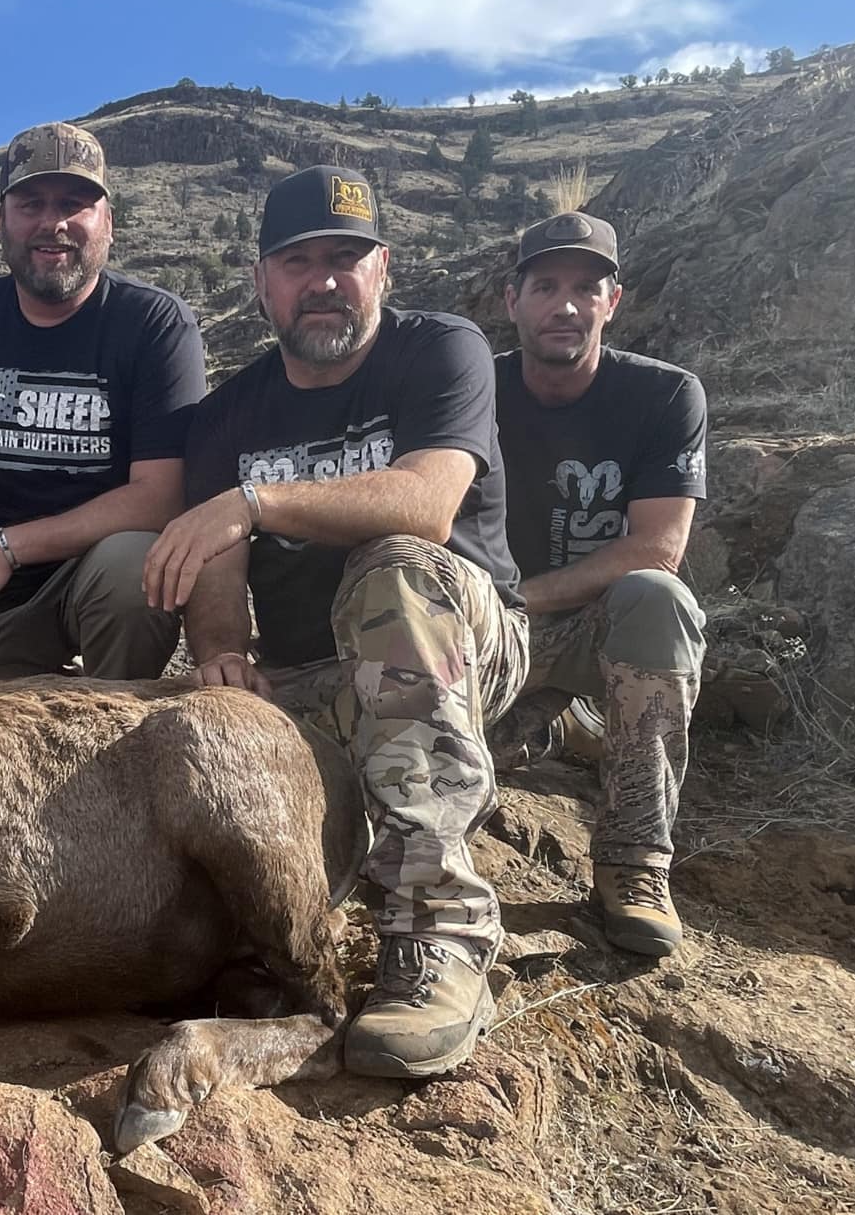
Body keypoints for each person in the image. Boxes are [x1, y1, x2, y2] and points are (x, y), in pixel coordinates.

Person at [143, 165, 527, 1079]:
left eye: (345, 258)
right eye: (298, 260)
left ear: (383, 269)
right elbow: (216, 569)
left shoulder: (442, 350)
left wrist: (256, 501)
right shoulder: (229, 411)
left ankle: (442, 929)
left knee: (393, 566)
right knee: (194, 725)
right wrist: (224, 652)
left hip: (461, 636)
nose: (323, 279)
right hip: (315, 671)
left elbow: (431, 502)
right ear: (262, 281)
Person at [0, 121, 206, 683]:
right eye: (31, 204)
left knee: (130, 570)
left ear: (108, 224)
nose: (53, 223)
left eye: (74, 203)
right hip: (0, 596)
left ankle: (112, 725)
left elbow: (161, 498)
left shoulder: (154, 323)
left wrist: (5, 548)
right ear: (1, 220)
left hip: (96, 571)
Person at [493, 211, 707, 958]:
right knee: (441, 761)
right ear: (510, 299)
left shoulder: (667, 396)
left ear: (615, 301)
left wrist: (521, 596)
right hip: (491, 629)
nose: (567, 304)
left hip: (587, 620)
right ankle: (559, 720)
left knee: (658, 596)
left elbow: (658, 547)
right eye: (546, 285)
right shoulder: (471, 392)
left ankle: (632, 862)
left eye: (588, 286)